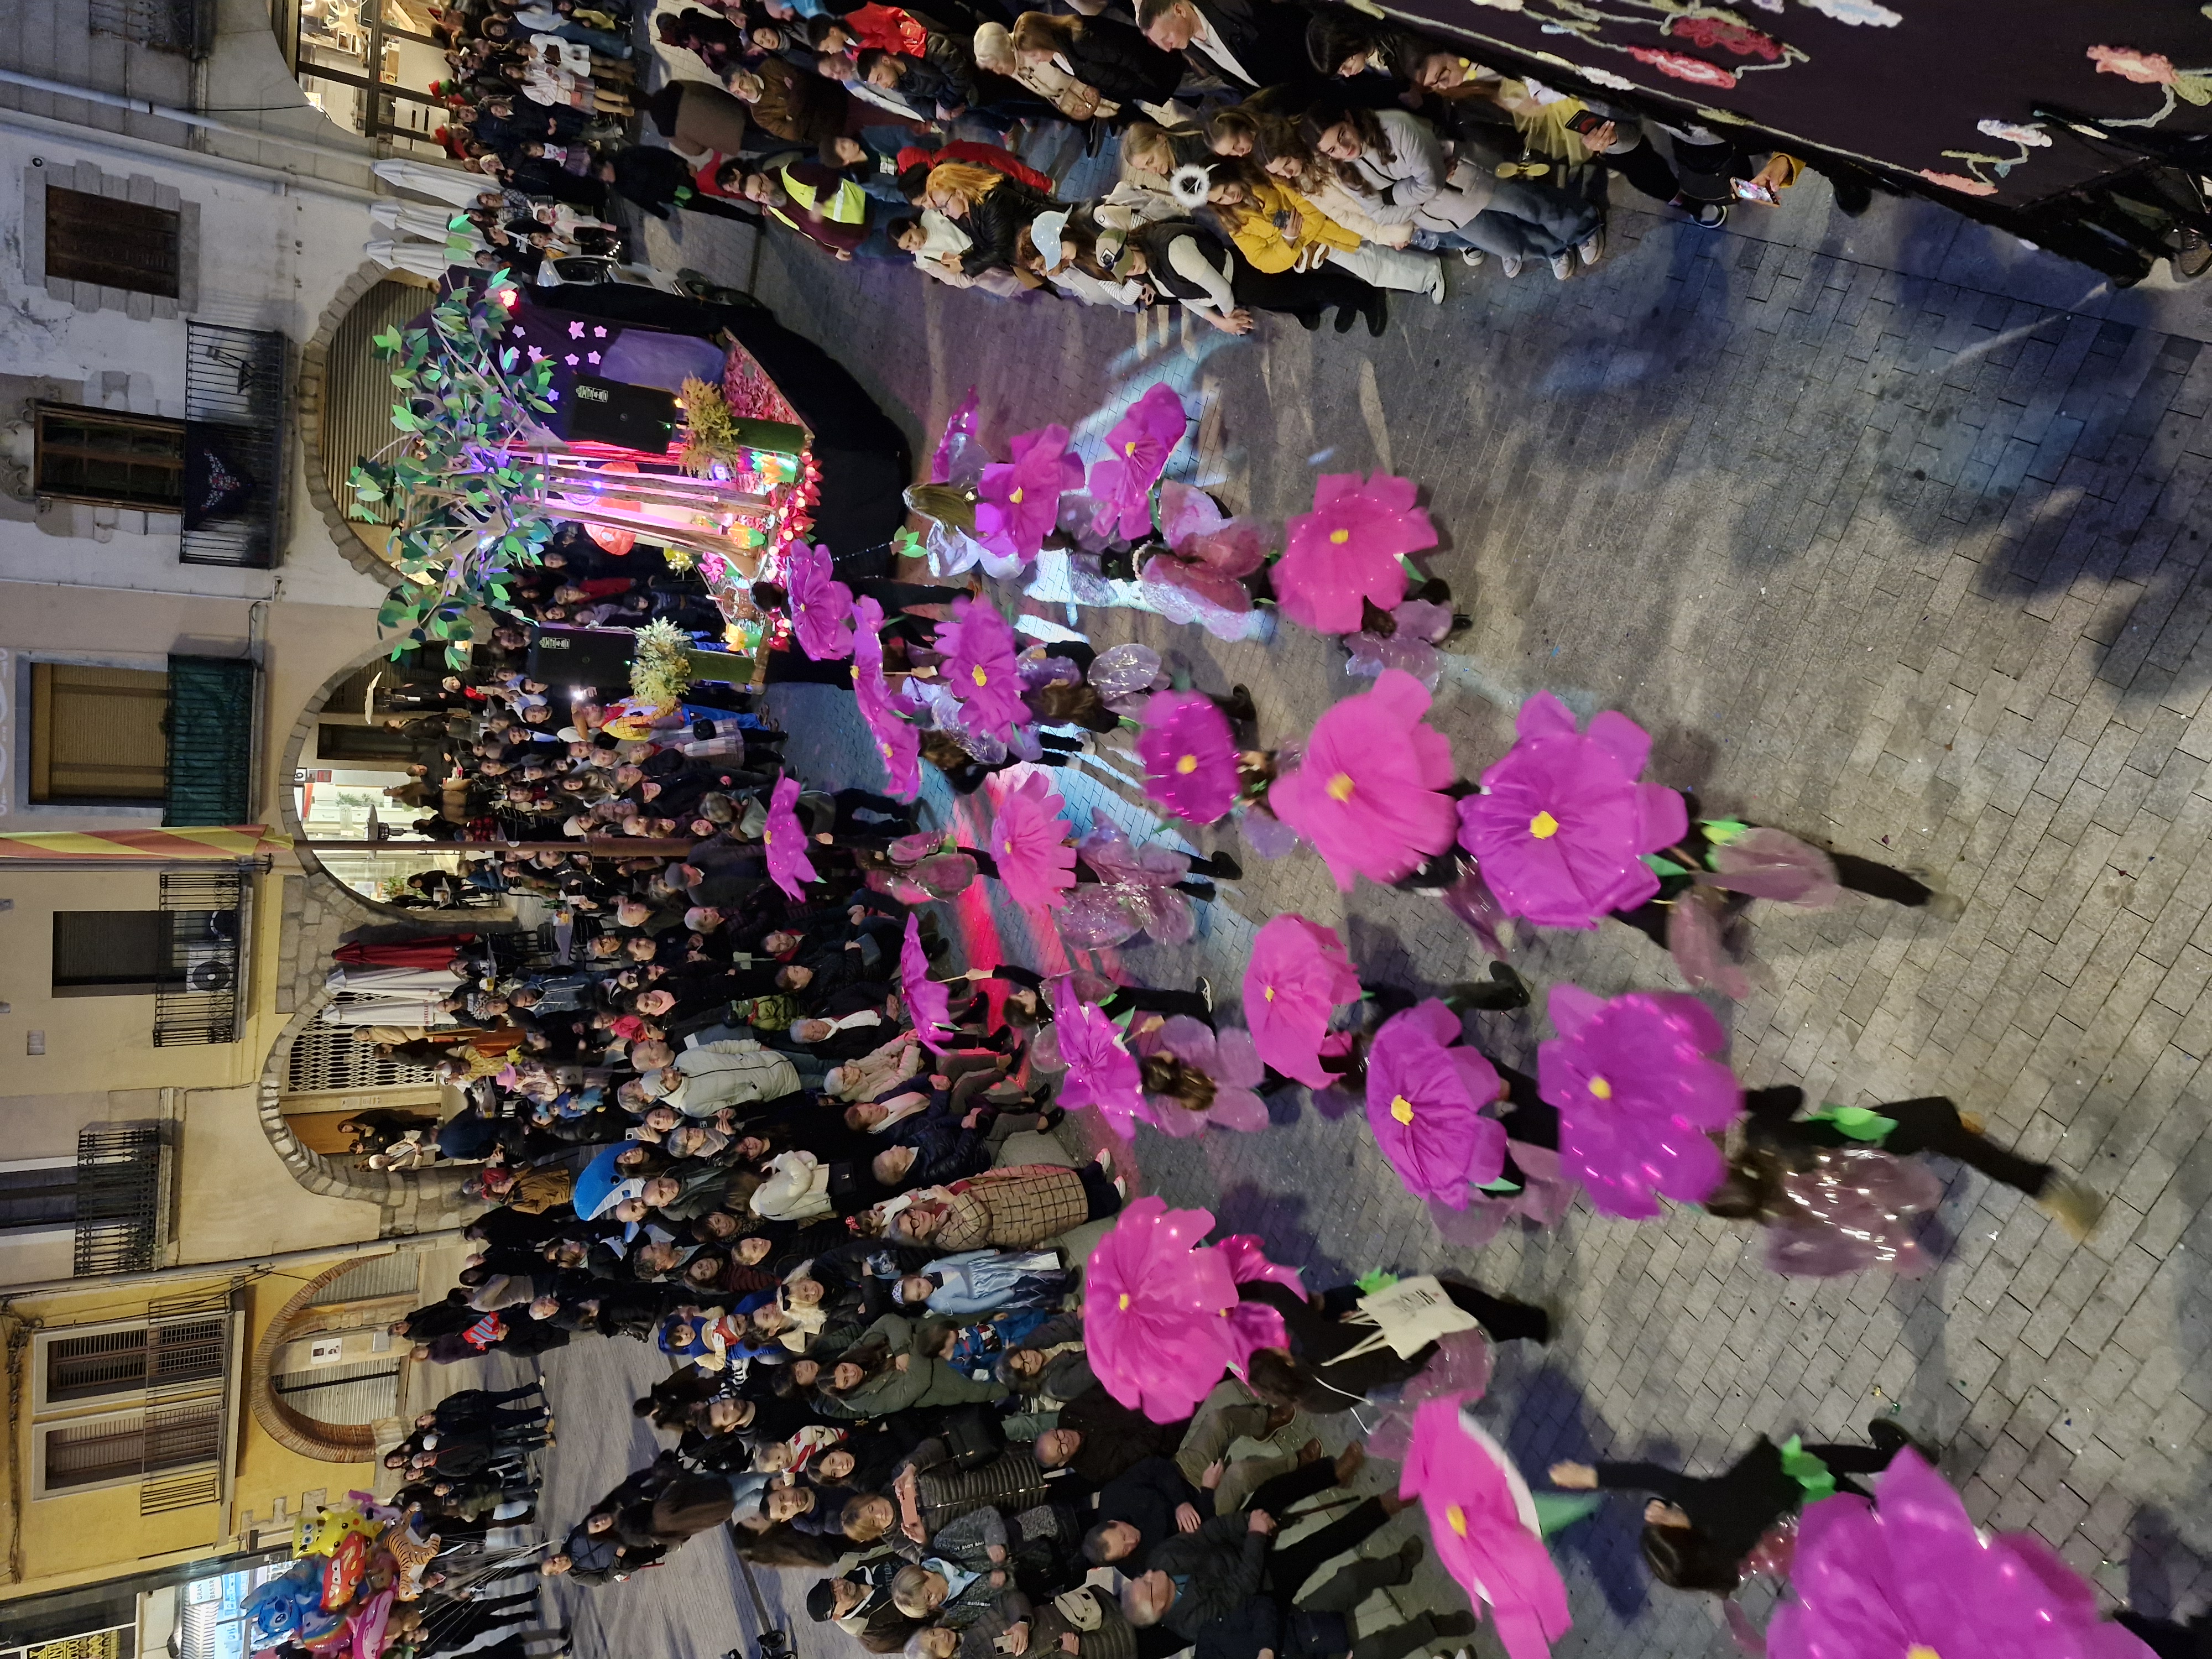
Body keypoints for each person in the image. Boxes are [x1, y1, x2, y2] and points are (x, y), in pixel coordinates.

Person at [1547, 1421, 1927, 1593]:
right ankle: (1898, 1460)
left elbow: (1664, 1498)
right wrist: (1591, 1476)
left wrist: (1665, 1508)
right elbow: (1651, 1475)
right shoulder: (1701, 1503)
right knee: (1828, 1462)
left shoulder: (1723, 1563)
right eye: (1663, 1523)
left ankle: (1889, 1518)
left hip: (1800, 1519)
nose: (1659, 1516)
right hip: (1790, 1476)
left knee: (1849, 1508)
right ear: (1682, 1531)